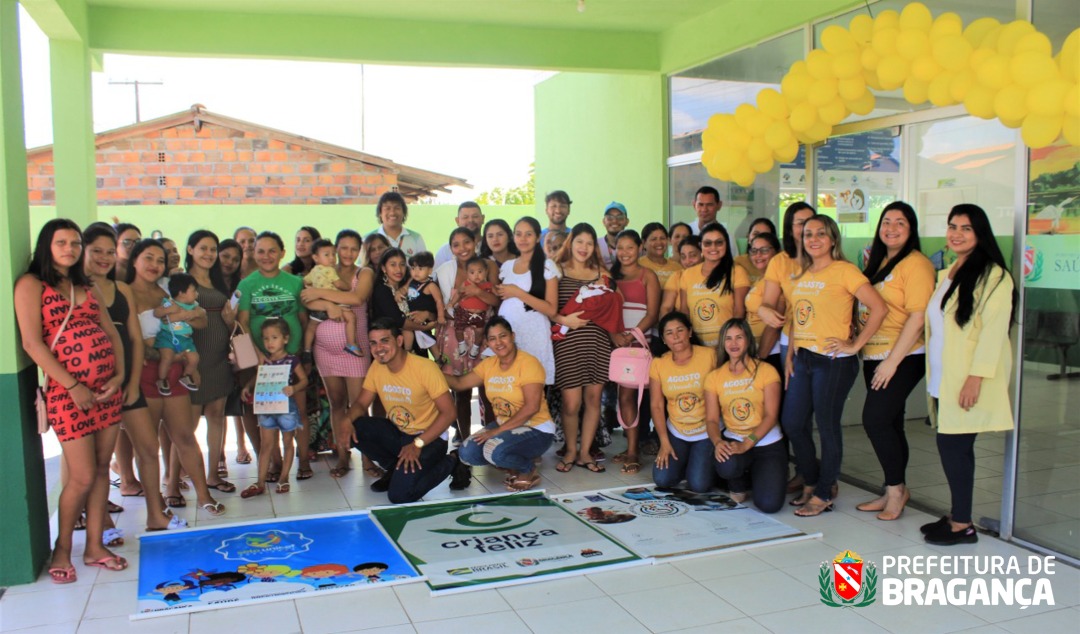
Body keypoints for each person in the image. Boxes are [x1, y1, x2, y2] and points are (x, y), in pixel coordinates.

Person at [15, 219, 128, 582]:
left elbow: (110, 332)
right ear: (46, 246)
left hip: (107, 393)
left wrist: (119, 377)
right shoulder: (31, 285)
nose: (69, 249)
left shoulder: (84, 284)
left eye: (75, 243)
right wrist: (73, 384)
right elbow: (33, 344)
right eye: (61, 242)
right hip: (69, 396)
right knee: (79, 477)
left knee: (99, 470)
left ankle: (94, 546)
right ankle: (62, 548)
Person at [922, 204, 1016, 546]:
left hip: (967, 377)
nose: (956, 233)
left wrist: (976, 377)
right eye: (952, 226)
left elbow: (994, 331)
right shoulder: (946, 272)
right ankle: (956, 514)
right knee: (950, 444)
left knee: (954, 446)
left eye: (966, 228)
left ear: (980, 234)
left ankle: (963, 524)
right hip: (944, 374)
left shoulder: (995, 276)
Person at [782, 215, 886, 517]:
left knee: (827, 427)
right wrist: (790, 353)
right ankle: (813, 480)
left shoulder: (845, 271)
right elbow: (797, 314)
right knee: (792, 423)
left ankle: (825, 491)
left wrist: (855, 345)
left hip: (833, 362)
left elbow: (879, 307)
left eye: (820, 234)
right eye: (808, 234)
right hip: (803, 359)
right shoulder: (801, 273)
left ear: (832, 239)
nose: (813, 239)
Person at [82, 223, 178, 532]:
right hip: (93, 387)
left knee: (149, 449)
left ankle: (155, 514)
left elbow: (136, 340)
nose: (104, 257)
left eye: (110, 251)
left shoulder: (121, 288)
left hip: (128, 383)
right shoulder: (76, 289)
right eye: (96, 250)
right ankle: (104, 522)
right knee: (98, 460)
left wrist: (132, 381)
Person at [127, 239, 226, 517]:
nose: (155, 265)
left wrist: (188, 316)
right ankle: (155, 505)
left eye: (160, 260)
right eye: (149, 258)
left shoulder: (166, 288)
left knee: (184, 436)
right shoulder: (125, 292)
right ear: (135, 259)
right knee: (148, 447)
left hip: (176, 374)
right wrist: (162, 354)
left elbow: (201, 319)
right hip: (144, 376)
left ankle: (204, 496)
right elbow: (131, 341)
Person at [855, 202, 935, 522]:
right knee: (890, 422)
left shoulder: (917, 264)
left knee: (875, 419)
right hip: (873, 354)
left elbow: (918, 318)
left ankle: (897, 489)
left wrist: (891, 362)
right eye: (886, 222)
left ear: (911, 229)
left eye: (900, 223)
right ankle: (892, 488)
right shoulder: (877, 262)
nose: (891, 228)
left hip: (903, 355)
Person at [344, 318, 472, 502]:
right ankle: (396, 468)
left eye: (385, 341)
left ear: (399, 341)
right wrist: (346, 421)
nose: (379, 348)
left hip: (429, 438)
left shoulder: (424, 367)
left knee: (400, 496)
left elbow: (450, 413)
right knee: (353, 428)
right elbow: (361, 404)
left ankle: (452, 461)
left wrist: (417, 444)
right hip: (400, 433)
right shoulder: (377, 366)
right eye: (373, 343)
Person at [300, 229, 377, 479]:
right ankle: (343, 457)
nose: (348, 253)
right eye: (343, 248)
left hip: (354, 352)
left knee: (359, 406)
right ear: (336, 248)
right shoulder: (323, 271)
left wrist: (321, 295)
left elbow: (356, 298)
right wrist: (327, 303)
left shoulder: (363, 273)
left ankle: (367, 459)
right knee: (336, 404)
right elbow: (305, 299)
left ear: (360, 251)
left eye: (354, 249)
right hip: (325, 351)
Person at [447, 318, 556, 491]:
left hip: (537, 429)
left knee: (494, 450)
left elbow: (531, 408)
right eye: (492, 339)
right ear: (487, 343)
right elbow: (460, 383)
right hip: (506, 425)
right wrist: (431, 373)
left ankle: (527, 469)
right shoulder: (489, 364)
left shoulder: (528, 363)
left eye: (503, 336)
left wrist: (496, 432)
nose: (498, 342)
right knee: (467, 453)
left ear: (512, 336)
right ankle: (512, 461)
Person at [237, 231, 309, 482]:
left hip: (292, 358)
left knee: (297, 411)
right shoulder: (246, 285)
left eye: (271, 251)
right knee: (267, 413)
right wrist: (257, 354)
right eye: (260, 251)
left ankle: (304, 462)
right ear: (253, 254)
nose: (266, 256)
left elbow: (303, 318)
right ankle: (275, 464)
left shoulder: (295, 283)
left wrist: (302, 350)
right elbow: (242, 322)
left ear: (282, 253)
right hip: (261, 362)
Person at [550, 223, 615, 474]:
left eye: (589, 243)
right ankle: (570, 450)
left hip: (598, 344)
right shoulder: (557, 270)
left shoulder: (602, 273)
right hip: (567, 346)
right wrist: (565, 321)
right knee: (570, 403)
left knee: (593, 400)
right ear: (571, 243)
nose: (584, 248)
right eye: (580, 242)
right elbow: (548, 308)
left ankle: (586, 452)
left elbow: (610, 311)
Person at [704, 319, 786, 513]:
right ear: (723, 343)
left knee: (769, 505)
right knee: (726, 464)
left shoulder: (767, 371)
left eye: (739, 337)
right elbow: (712, 420)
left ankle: (768, 473)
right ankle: (739, 484)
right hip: (734, 439)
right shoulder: (714, 377)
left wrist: (747, 444)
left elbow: (771, 416)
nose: (734, 343)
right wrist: (717, 442)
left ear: (748, 340)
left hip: (767, 444)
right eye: (728, 338)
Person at [434, 229, 501, 448]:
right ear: (451, 249)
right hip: (456, 336)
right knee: (461, 392)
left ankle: (491, 440)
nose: (462, 248)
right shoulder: (445, 270)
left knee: (488, 389)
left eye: (466, 242)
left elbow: (496, 300)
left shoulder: (488, 266)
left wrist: (477, 292)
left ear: (475, 243)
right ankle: (464, 440)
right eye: (456, 244)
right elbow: (443, 304)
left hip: (483, 334)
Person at [184, 230, 238, 494]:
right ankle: (174, 481)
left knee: (217, 416)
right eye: (203, 248)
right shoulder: (181, 281)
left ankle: (213, 474)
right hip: (193, 359)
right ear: (190, 250)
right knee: (187, 426)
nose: (208, 254)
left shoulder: (218, 281)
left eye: (212, 250)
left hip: (220, 359)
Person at [648, 312, 717, 493]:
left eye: (680, 330)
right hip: (677, 432)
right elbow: (656, 405)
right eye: (669, 333)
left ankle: (699, 463)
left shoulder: (709, 355)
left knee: (699, 485)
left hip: (706, 431)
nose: (676, 336)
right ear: (663, 339)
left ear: (690, 332)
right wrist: (664, 442)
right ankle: (690, 462)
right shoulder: (658, 364)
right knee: (662, 479)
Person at [610, 230, 660, 475]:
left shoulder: (648, 276)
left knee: (632, 397)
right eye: (621, 248)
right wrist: (614, 335)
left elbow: (652, 313)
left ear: (640, 248)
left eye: (630, 247)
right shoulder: (609, 276)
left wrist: (630, 336)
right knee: (621, 397)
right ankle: (631, 446)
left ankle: (632, 451)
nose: (625, 253)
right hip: (614, 343)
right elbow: (604, 310)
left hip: (638, 345)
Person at [240, 319, 309, 497]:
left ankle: (284, 477)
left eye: (274, 337)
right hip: (267, 407)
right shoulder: (265, 361)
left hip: (286, 406)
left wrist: (293, 388)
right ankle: (260, 481)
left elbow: (304, 380)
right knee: (266, 445)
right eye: (266, 339)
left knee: (287, 442)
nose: (270, 342)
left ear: (285, 339)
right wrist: (248, 386)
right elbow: (258, 376)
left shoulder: (292, 360)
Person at [495, 217, 559, 385]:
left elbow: (551, 310)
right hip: (508, 336)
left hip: (535, 335)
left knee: (532, 387)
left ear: (538, 237)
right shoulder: (507, 266)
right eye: (518, 234)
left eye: (528, 234)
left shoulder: (547, 265)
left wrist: (517, 292)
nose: (523, 239)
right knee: (509, 390)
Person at [679, 222, 749, 348]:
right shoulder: (688, 274)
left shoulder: (737, 272)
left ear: (726, 244)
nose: (713, 247)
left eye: (719, 242)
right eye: (708, 243)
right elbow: (685, 312)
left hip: (727, 346)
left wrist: (727, 343)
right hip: (697, 347)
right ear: (700, 245)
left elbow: (740, 311)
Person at [301, 238, 363, 359]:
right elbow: (339, 284)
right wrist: (348, 286)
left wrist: (311, 288)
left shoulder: (313, 271)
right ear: (315, 258)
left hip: (319, 306)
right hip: (335, 303)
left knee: (311, 327)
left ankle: (307, 349)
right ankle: (351, 343)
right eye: (327, 255)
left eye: (333, 255)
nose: (331, 258)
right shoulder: (330, 270)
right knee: (351, 317)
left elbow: (305, 281)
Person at [742, 233, 784, 378]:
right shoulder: (762, 280)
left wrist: (761, 357)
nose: (758, 255)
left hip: (771, 353)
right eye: (754, 250)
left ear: (777, 252)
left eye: (764, 250)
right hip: (756, 351)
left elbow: (775, 325)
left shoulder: (778, 281)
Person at [154, 273, 201, 395]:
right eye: (194, 291)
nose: (197, 294)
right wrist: (168, 310)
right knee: (167, 358)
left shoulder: (194, 305)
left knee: (195, 358)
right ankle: (162, 379)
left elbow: (201, 312)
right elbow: (157, 312)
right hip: (168, 337)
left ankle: (186, 376)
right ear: (181, 293)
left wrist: (192, 314)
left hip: (186, 340)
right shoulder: (169, 302)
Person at [447, 256, 497, 359]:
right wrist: (451, 303)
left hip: (480, 314)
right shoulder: (465, 284)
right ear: (467, 273)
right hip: (464, 312)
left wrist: (497, 290)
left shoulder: (488, 285)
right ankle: (461, 344)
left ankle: (476, 347)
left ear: (486, 271)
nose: (476, 275)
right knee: (458, 329)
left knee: (480, 331)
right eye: (472, 272)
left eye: (480, 272)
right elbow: (458, 294)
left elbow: (496, 295)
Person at [406, 250, 446, 348]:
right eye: (413, 268)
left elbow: (439, 300)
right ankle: (409, 350)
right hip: (412, 316)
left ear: (430, 270)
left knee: (425, 336)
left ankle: (437, 357)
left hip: (425, 318)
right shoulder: (411, 282)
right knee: (410, 331)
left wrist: (441, 316)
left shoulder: (431, 285)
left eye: (420, 268)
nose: (416, 272)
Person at [368, 191, 425, 258]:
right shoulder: (368, 239)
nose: (392, 213)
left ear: (404, 212)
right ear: (380, 213)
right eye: (387, 208)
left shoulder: (416, 239)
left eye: (397, 208)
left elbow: (425, 267)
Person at [660, 235, 702, 317]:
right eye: (683, 257)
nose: (687, 261)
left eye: (693, 255)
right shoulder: (677, 276)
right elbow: (666, 308)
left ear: (703, 253)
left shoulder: (715, 275)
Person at [690, 186, 738, 256]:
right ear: (694, 205)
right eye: (700, 204)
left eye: (709, 205)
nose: (704, 209)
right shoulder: (687, 231)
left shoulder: (727, 236)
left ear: (719, 205)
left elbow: (732, 263)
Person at [435, 201, 484, 268]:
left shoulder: (491, 246)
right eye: (465, 217)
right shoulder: (444, 251)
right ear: (457, 221)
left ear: (483, 218)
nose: (470, 220)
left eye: (475, 216)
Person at [638, 222, 682, 290]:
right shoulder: (638, 265)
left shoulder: (677, 267)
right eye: (654, 239)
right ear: (644, 243)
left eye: (662, 238)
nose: (659, 242)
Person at [734, 218, 778, 283]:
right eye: (756, 234)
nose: (759, 238)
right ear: (748, 237)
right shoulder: (738, 262)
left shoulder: (781, 262)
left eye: (765, 235)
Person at [596, 202, 629, 268]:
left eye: (620, 217)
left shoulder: (636, 246)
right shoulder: (596, 245)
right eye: (609, 218)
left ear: (627, 221)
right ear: (604, 221)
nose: (614, 221)